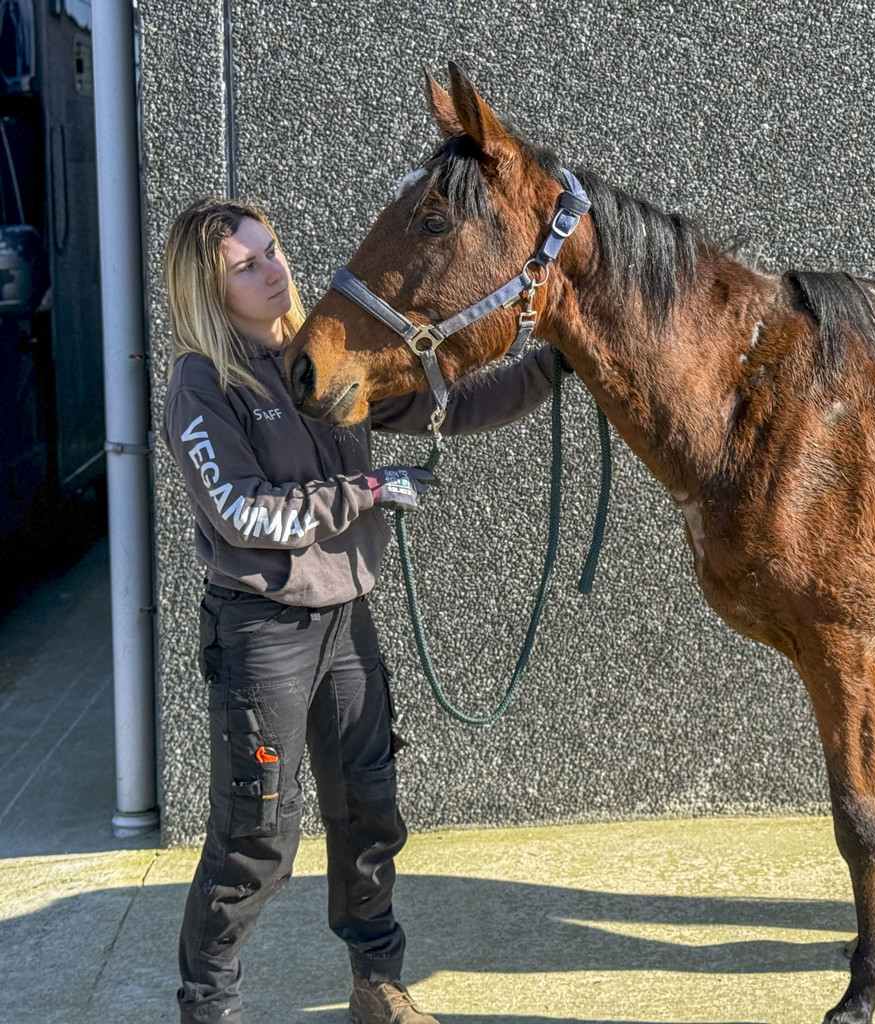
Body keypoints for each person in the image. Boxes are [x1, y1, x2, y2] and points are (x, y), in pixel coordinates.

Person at [162, 196, 557, 1024]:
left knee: (369, 809)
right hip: (261, 630)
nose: (274, 271)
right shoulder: (204, 385)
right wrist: (369, 489)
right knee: (256, 840)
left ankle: (377, 983)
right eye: (247, 266)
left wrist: (556, 364)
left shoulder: (321, 359)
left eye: (271, 251)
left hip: (348, 620)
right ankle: (208, 1005)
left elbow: (454, 406)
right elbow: (244, 513)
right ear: (209, 288)